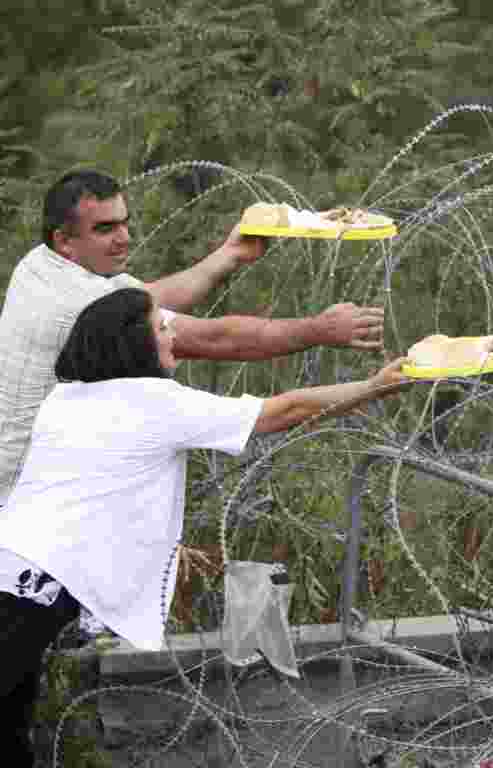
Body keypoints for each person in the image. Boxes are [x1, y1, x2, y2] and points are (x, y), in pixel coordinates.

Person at [0, 287, 409, 766]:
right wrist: (372, 387)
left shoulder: (67, 398)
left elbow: (93, 494)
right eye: (162, 327)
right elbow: (285, 410)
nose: (173, 333)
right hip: (28, 593)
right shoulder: (154, 401)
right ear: (135, 343)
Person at [0, 169, 387, 505]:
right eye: (105, 228)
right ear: (64, 240)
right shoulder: (77, 305)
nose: (124, 238)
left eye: (123, 222)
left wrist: (231, 254)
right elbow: (216, 339)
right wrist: (319, 329)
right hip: (21, 495)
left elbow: (148, 300)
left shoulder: (42, 265)